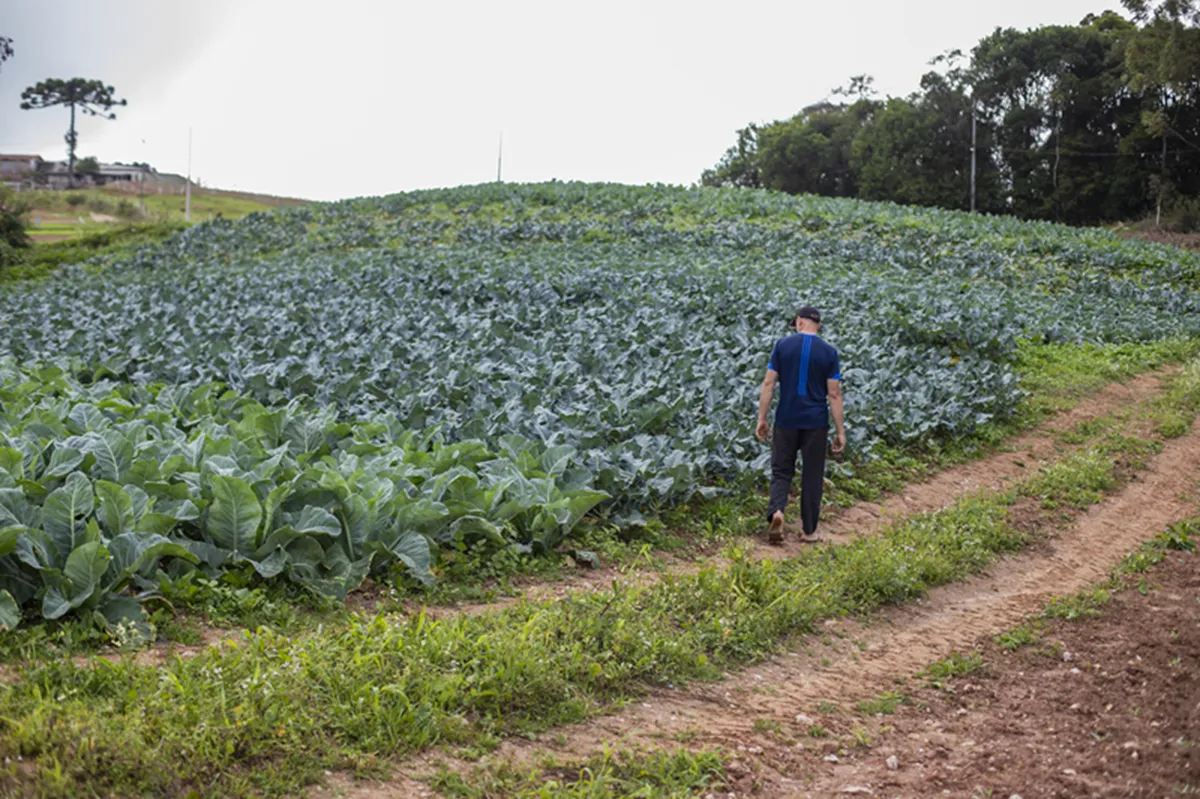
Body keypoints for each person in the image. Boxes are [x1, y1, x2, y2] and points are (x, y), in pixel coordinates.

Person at [755, 306, 845, 545]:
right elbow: (834, 394)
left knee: (781, 470)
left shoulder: (782, 346)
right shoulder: (829, 352)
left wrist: (762, 418)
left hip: (786, 419)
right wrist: (840, 431)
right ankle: (809, 530)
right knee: (812, 474)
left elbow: (768, 383)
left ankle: (777, 511)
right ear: (819, 325)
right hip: (816, 423)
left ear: (799, 322)